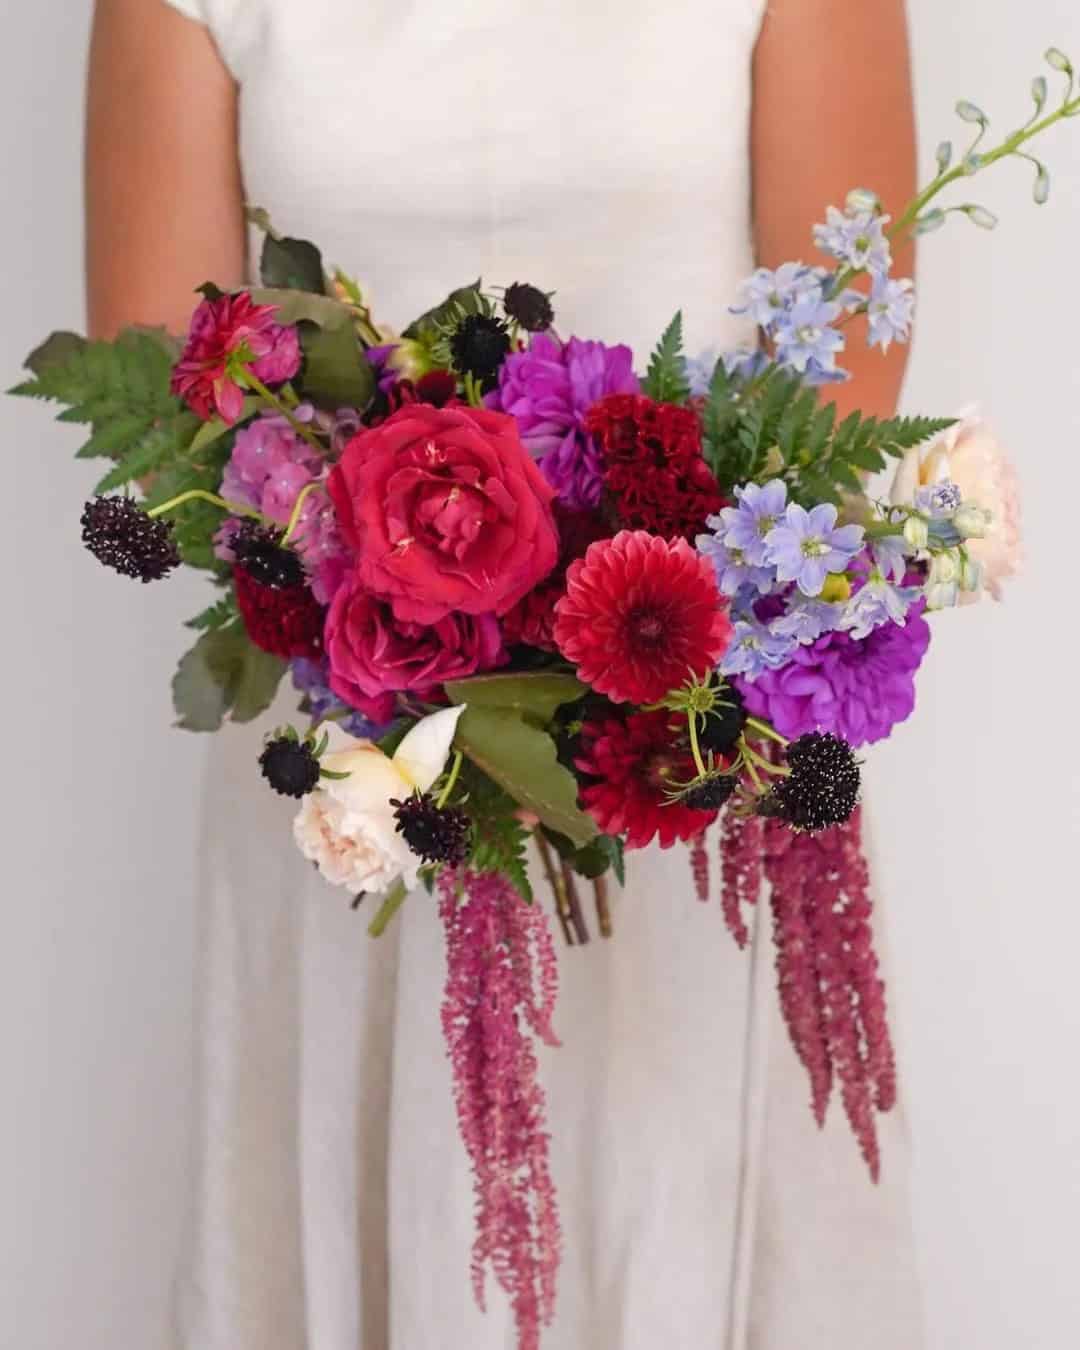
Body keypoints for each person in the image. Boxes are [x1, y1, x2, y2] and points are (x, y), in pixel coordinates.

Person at [86, 2, 923, 1346]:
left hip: (688, 752)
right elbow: (168, 389)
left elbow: (847, 375)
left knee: (681, 1194)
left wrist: (591, 675)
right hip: (355, 768)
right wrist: (432, 649)